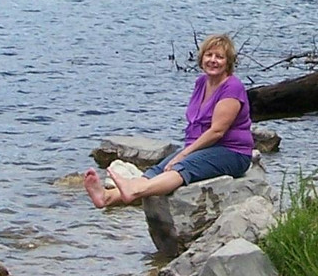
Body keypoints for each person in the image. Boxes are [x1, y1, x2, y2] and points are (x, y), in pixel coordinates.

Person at [84, 33, 253, 208]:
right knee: (157, 170)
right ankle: (107, 197)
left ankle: (134, 191)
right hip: (203, 148)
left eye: (219, 57)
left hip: (231, 152)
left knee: (182, 167)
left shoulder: (232, 87)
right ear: (201, 58)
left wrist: (183, 154)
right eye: (209, 55)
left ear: (228, 62)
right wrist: (185, 152)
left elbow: (217, 131)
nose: (213, 60)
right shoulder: (202, 82)